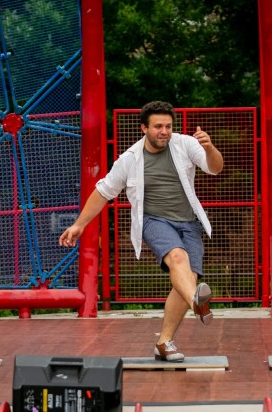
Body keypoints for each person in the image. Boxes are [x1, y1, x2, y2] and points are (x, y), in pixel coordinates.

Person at [59, 101, 224, 363]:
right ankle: (197, 303)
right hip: (153, 221)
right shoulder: (129, 159)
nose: (164, 131)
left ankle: (164, 342)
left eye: (168, 126)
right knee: (178, 259)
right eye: (158, 126)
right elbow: (104, 191)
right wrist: (79, 224)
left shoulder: (186, 144)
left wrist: (209, 147)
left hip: (189, 221)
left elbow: (215, 168)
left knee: (186, 278)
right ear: (144, 128)